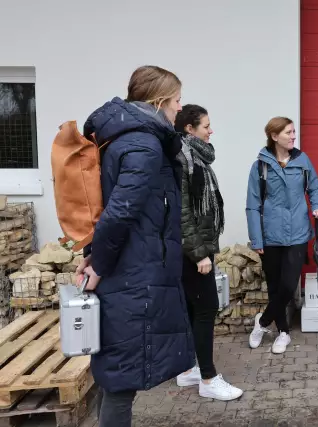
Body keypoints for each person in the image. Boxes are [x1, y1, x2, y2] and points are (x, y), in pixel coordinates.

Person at [76, 65, 195, 427]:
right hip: (133, 275)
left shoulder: (125, 137)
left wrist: (96, 256)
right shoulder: (142, 143)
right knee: (121, 381)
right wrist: (98, 263)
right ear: (158, 102)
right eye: (176, 101)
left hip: (131, 268)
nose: (179, 108)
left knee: (116, 378)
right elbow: (121, 210)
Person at [173, 105, 242, 400]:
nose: (210, 131)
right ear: (190, 128)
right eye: (206, 126)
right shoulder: (182, 158)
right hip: (193, 250)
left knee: (192, 309)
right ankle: (208, 379)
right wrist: (200, 253)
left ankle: (188, 369)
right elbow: (183, 211)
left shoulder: (195, 155)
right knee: (205, 309)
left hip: (197, 247)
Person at [246, 117, 318, 354]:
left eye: (294, 132)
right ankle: (283, 332)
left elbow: (315, 187)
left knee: (289, 285)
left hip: (298, 232)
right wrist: (257, 239)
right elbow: (252, 205)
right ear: (274, 136)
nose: (293, 136)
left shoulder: (302, 161)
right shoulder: (260, 166)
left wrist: (317, 205)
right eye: (288, 132)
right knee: (275, 286)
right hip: (270, 235)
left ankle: (261, 322)